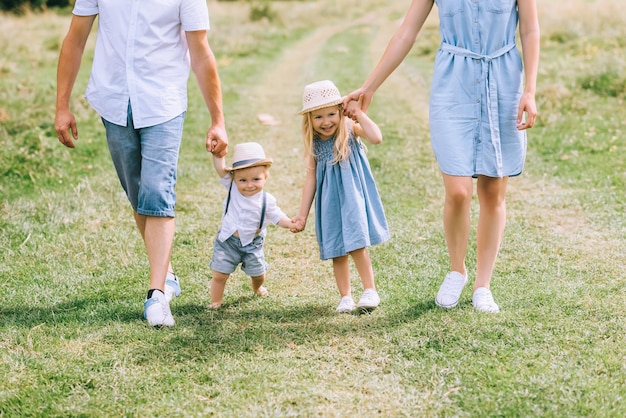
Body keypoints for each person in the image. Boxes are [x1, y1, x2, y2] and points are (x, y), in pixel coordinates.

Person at [343, 0, 540, 313]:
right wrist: (370, 87)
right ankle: (457, 270)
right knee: (458, 191)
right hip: (453, 84)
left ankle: (482, 286)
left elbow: (529, 30)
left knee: (492, 191)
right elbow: (407, 32)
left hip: (503, 82)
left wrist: (529, 90)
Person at [54, 0, 228, 327]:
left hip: (163, 102)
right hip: (114, 99)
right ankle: (168, 274)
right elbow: (75, 38)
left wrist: (217, 119)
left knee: (157, 193)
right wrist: (62, 104)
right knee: (138, 195)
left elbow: (201, 52)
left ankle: (157, 295)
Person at [292, 80, 390, 313]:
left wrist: (358, 115)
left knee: (356, 242)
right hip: (329, 201)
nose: (326, 122)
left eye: (330, 114)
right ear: (309, 120)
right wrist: (302, 215)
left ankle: (370, 290)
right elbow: (311, 180)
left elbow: (376, 137)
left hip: (353, 196)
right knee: (337, 248)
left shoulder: (348, 128)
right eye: (318, 117)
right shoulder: (314, 143)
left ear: (340, 111)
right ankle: (345, 296)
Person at [209, 142, 294, 309]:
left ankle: (257, 287)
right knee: (219, 274)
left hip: (253, 244)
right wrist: (218, 154)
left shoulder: (266, 200)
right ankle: (216, 301)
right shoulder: (232, 187)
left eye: (256, 179)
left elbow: (277, 217)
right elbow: (220, 169)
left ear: (265, 177)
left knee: (258, 274)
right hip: (227, 242)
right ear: (234, 179)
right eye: (243, 180)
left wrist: (290, 223)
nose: (249, 185)